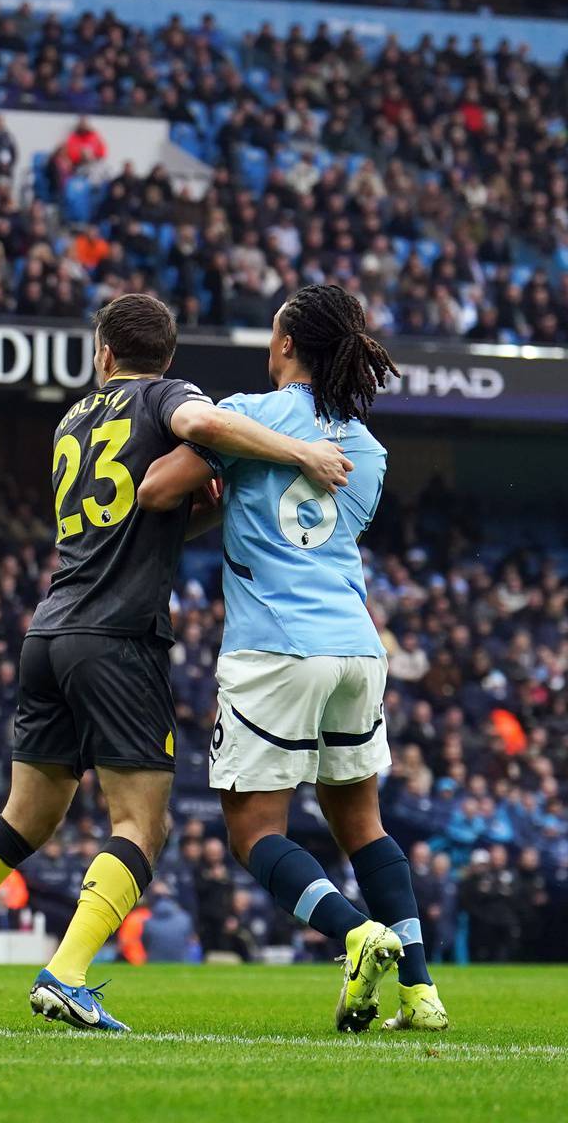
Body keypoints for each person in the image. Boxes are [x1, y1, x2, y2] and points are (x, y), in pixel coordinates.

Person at [0, 293, 357, 1032]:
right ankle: (66, 975)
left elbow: (141, 520)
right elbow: (204, 425)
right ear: (164, 358)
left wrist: (218, 506)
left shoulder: (73, 420)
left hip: (50, 631)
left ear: (103, 353)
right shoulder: (168, 397)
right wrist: (299, 452)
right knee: (142, 824)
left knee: (25, 817)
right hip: (118, 639)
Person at [137, 283, 447, 1032]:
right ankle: (421, 991)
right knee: (363, 825)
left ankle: (356, 935)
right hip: (355, 649)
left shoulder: (247, 413)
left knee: (254, 834)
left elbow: (155, 493)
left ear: (285, 345)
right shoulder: (368, 451)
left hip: (275, 649)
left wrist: (219, 484)